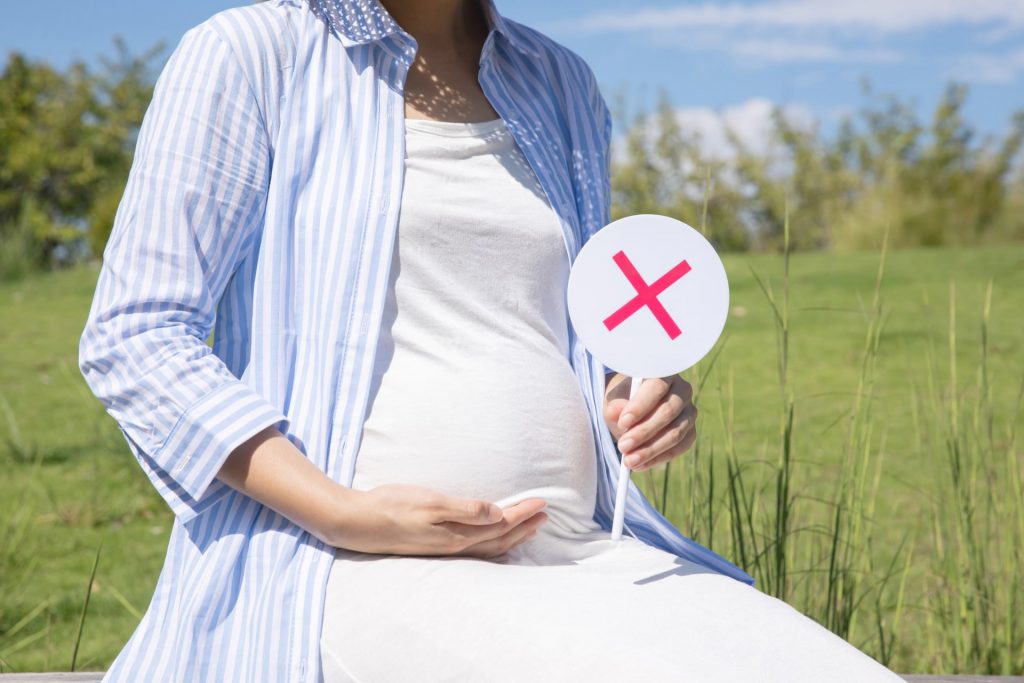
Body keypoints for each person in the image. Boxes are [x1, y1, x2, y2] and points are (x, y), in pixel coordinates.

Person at [78, 0, 907, 681]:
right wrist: (346, 515)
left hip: (585, 553)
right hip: (346, 570)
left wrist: (636, 387)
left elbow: (572, 319)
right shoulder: (253, 55)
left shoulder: (560, 82)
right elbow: (137, 335)